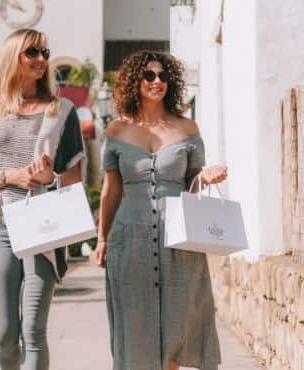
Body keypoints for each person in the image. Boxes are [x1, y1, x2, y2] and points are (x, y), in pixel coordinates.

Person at [95, 50, 227, 370]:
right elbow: (111, 189)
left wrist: (205, 176)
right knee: (135, 325)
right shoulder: (116, 130)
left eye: (164, 76)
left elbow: (193, 178)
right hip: (130, 238)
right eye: (150, 75)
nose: (158, 82)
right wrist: (102, 239)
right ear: (134, 81)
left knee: (176, 327)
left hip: (178, 239)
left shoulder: (187, 129)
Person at [0, 29, 85, 370]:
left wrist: (51, 178)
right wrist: (10, 176)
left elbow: (75, 177)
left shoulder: (62, 111)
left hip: (42, 226)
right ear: (12, 56)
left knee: (33, 329)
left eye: (44, 52)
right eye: (32, 52)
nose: (41, 59)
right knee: (3, 334)